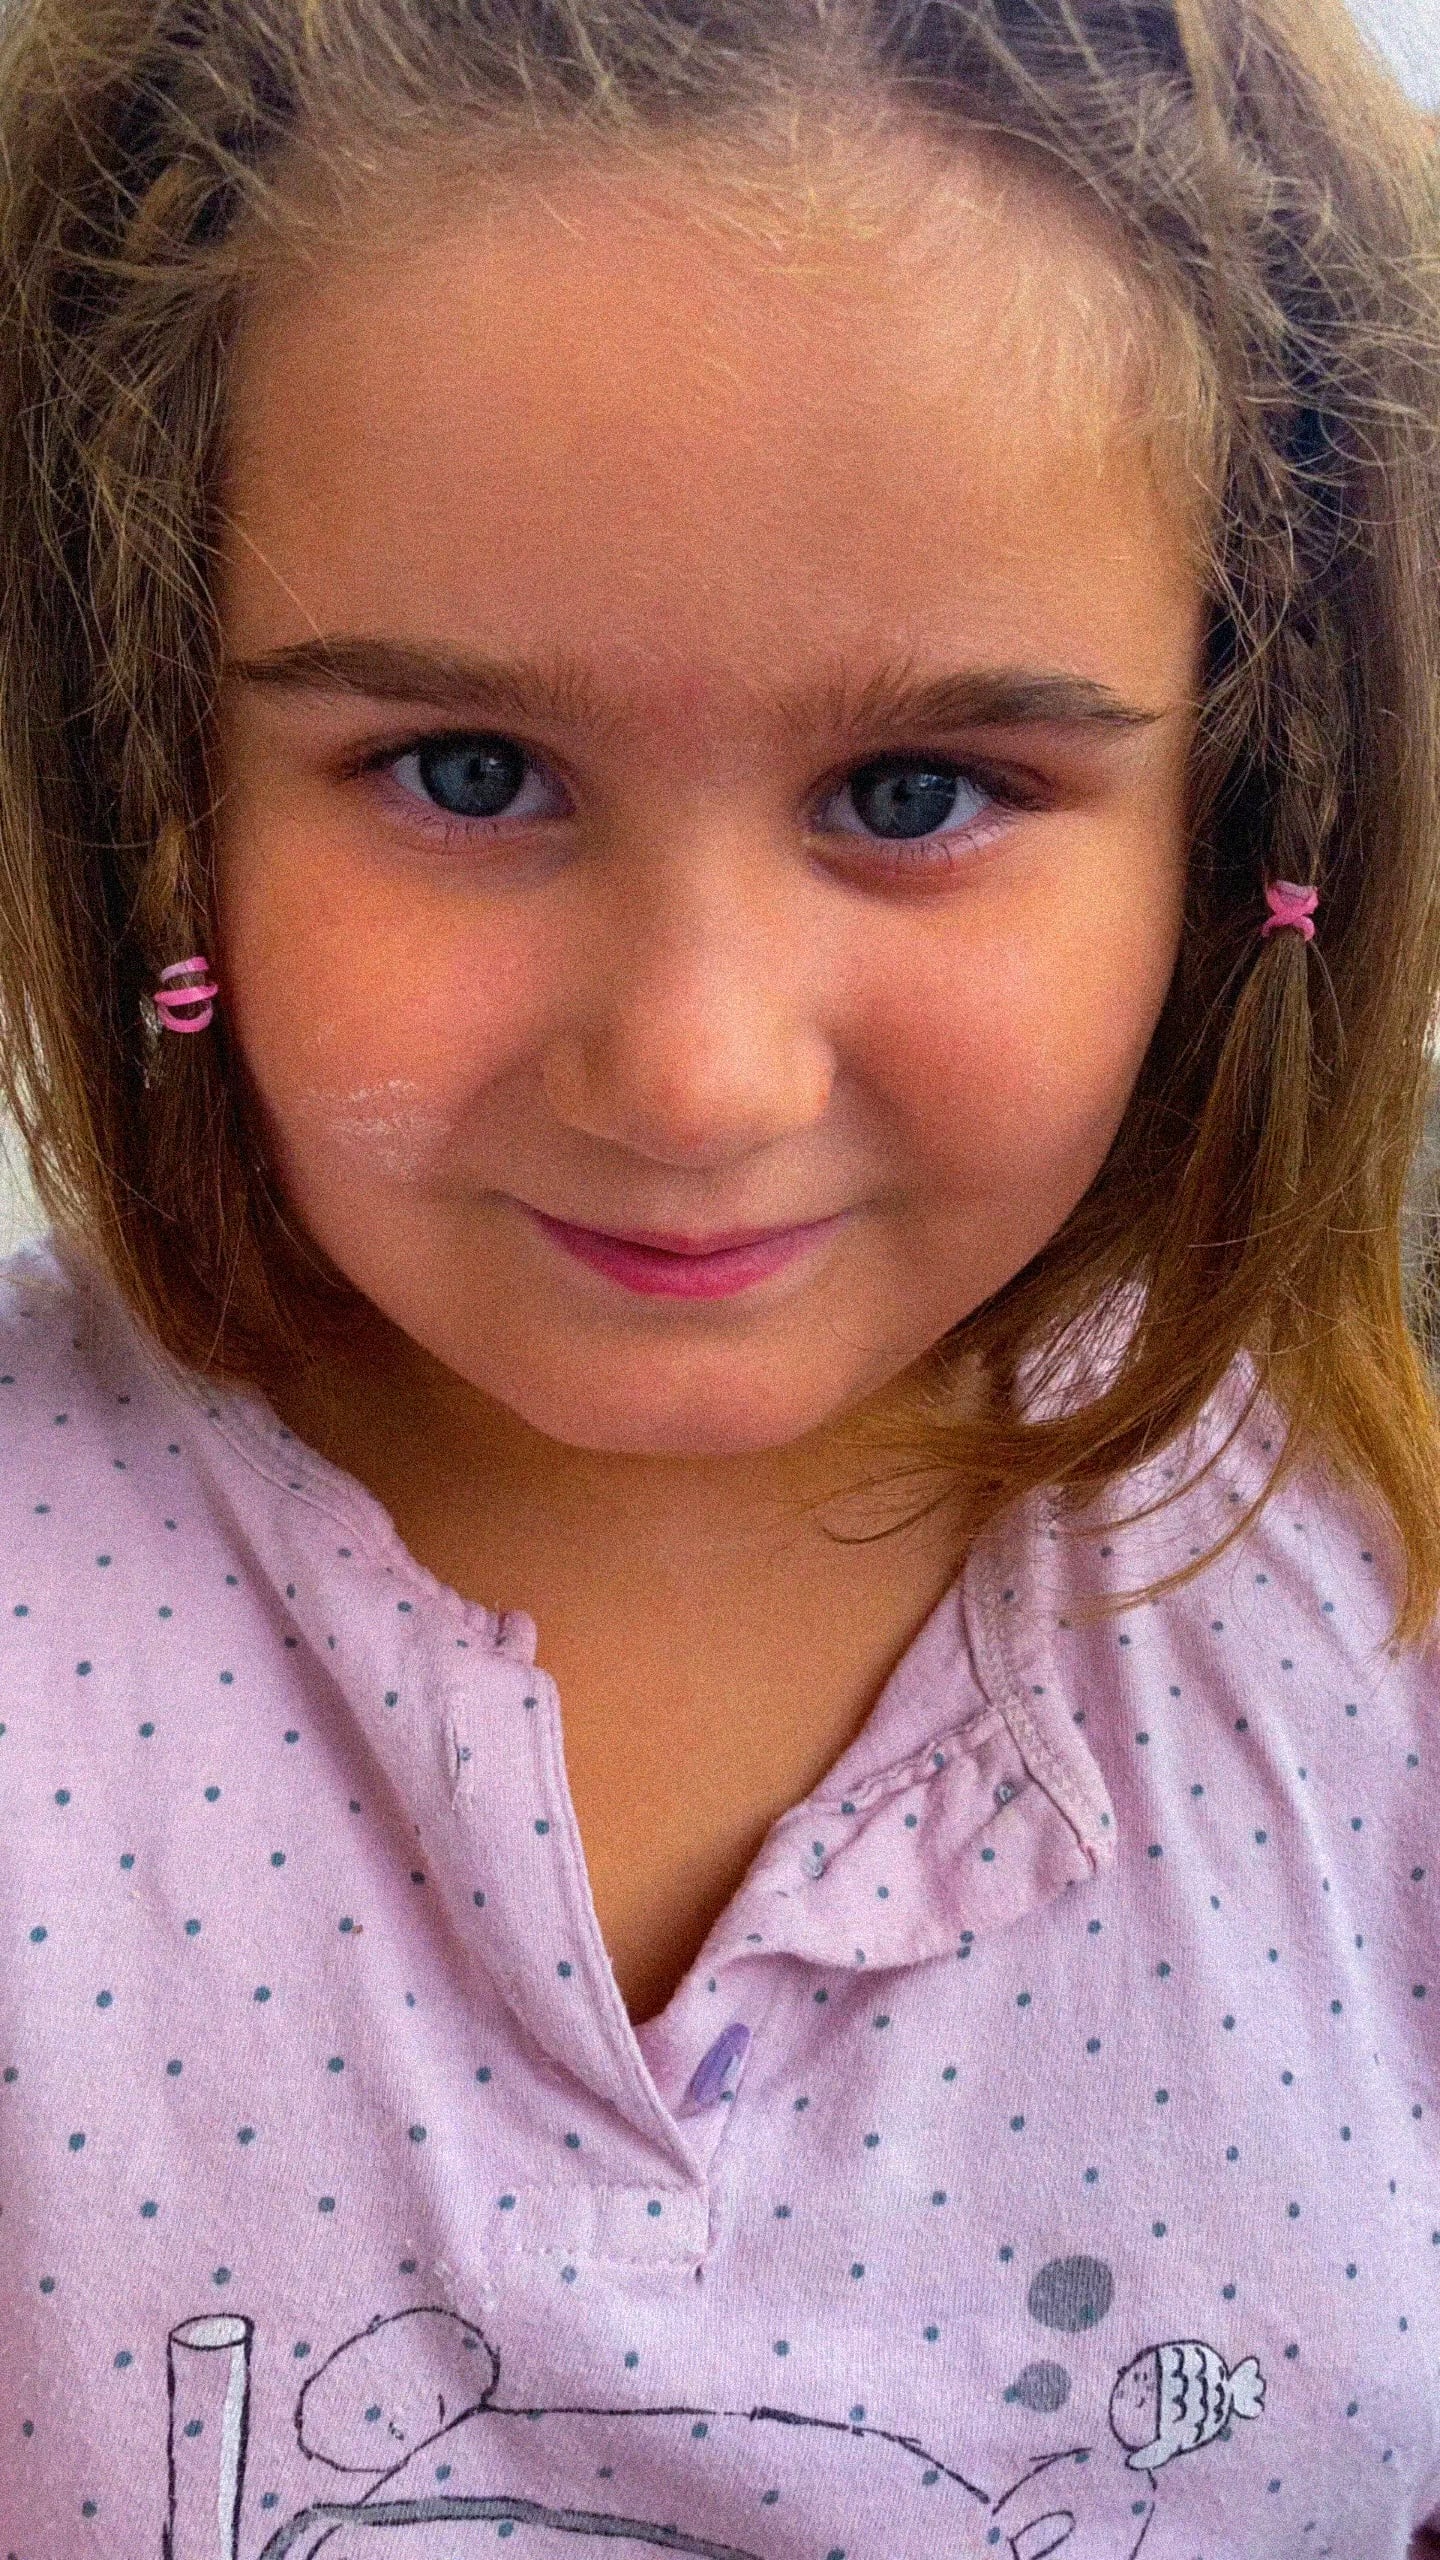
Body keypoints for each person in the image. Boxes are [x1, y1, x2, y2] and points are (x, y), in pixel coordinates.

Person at [0, 0, 1437, 2552]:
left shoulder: (1368, 1619)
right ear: (156, 793)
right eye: (464, 773)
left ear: (1245, 823)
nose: (691, 1076)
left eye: (921, 789)